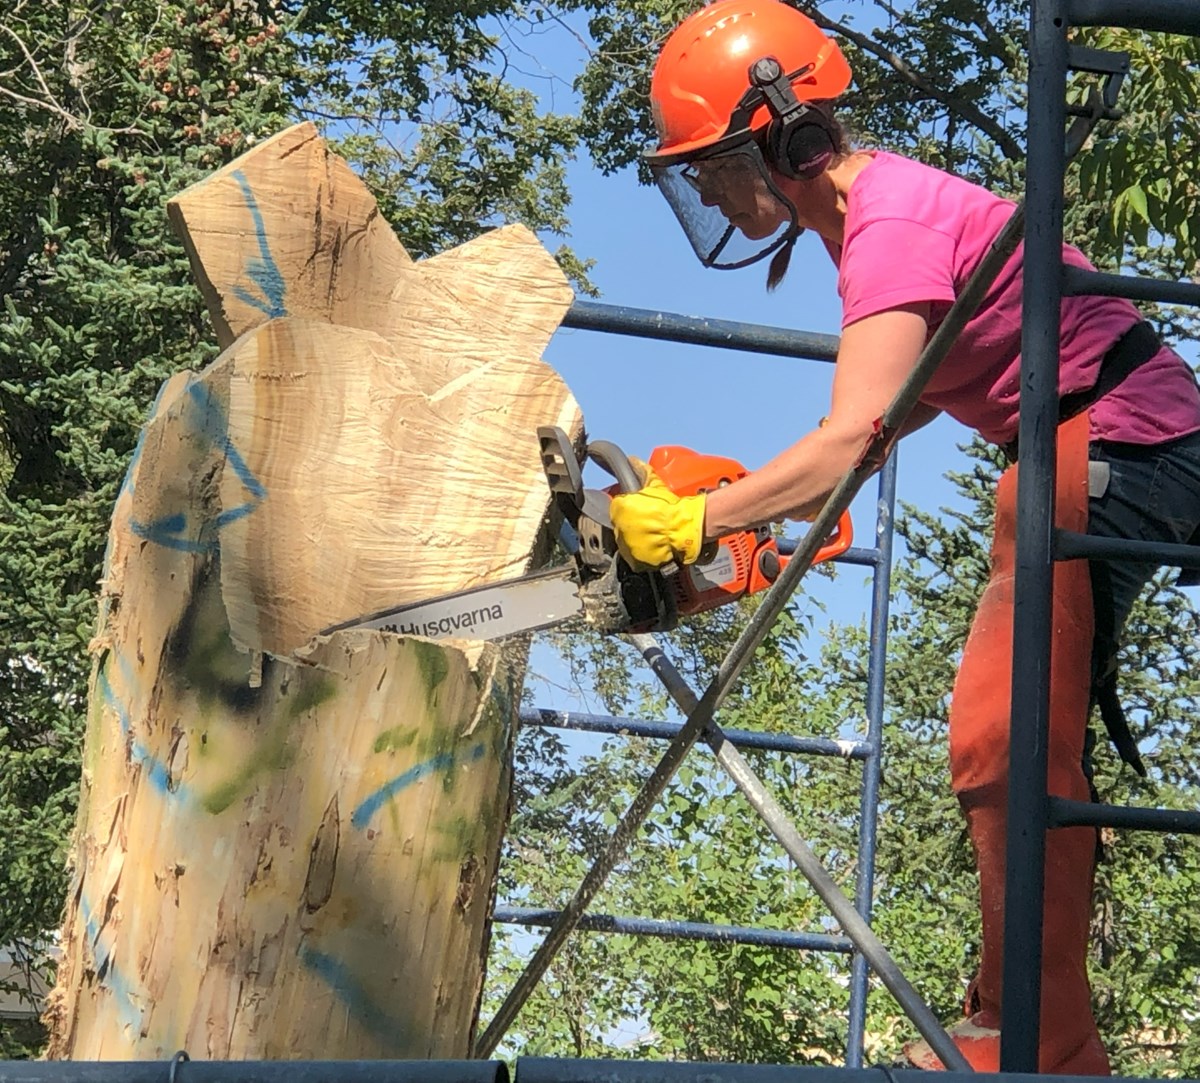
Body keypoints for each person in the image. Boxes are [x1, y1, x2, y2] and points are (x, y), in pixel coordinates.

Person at [607, 0, 1200, 1074]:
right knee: (1007, 727)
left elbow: (851, 438)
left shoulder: (889, 227)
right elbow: (904, 408)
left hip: (1123, 439)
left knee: (1004, 727)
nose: (702, 189)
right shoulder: (880, 223)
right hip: (1086, 438)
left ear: (781, 137)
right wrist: (765, 534)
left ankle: (1037, 1038)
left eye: (709, 164)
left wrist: (702, 517)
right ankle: (1014, 1017)